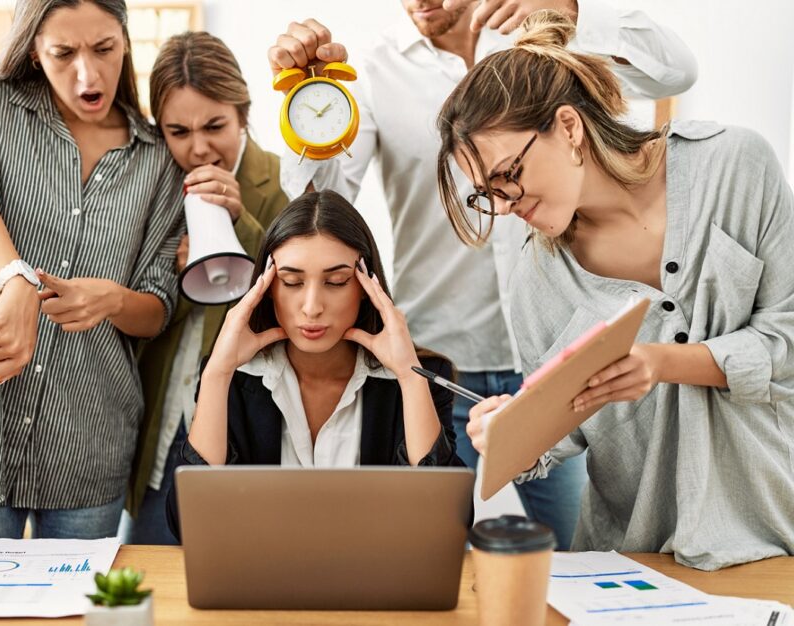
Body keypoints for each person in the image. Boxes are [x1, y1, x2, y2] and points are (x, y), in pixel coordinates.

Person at [267, 0, 698, 548]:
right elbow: (320, 204)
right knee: (429, 551)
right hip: (444, 364)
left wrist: (571, 9)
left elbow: (675, 71)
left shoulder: (542, 37)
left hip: (554, 359)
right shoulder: (375, 67)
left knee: (571, 556)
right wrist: (305, 102)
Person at [438, 11, 794, 571]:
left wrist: (661, 361)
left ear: (569, 128)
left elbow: (787, 344)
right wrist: (513, 427)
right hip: (631, 564)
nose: (505, 206)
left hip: (772, 539)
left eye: (508, 175)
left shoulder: (737, 167)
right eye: (487, 194)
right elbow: (564, 431)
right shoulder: (536, 279)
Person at [0, 0, 184, 541]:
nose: (88, 73)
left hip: (91, 450)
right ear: (35, 53)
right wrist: (12, 276)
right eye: (63, 53)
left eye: (105, 49)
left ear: (126, 41)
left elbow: (158, 306)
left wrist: (112, 300)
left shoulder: (158, 158)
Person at [166, 190, 467, 539]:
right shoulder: (235, 377)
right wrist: (217, 373)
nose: (311, 306)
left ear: (368, 287)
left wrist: (409, 377)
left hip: (375, 585)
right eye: (291, 282)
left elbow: (449, 525)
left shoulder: (417, 381)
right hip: (261, 583)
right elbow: (188, 526)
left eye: (335, 282)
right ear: (266, 289)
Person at [126, 31, 289, 545]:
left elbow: (299, 303)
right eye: (178, 131)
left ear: (243, 113)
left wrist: (239, 227)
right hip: (164, 422)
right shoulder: (153, 187)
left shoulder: (283, 183)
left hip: (248, 425)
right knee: (152, 572)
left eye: (215, 125)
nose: (198, 147)